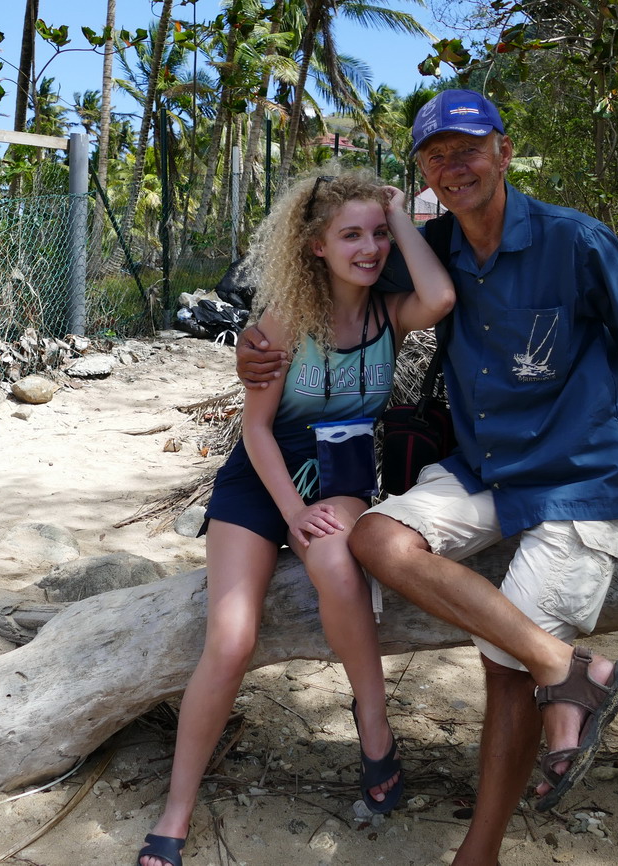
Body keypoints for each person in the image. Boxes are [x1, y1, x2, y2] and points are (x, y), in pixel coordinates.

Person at [236, 90, 618, 865]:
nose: (453, 165)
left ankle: (481, 851)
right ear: (423, 171)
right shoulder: (433, 245)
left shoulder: (577, 241)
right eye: (436, 154)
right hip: (484, 468)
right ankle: (571, 670)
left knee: (503, 669)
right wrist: (252, 342)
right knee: (376, 537)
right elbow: (332, 272)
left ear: (504, 151)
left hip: (577, 476)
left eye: (467, 148)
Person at [137, 170, 455, 866]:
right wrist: (292, 511)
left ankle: (374, 728)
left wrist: (398, 214)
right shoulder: (281, 321)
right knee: (229, 637)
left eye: (376, 235)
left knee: (337, 563)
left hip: (338, 467)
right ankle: (177, 808)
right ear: (315, 246)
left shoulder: (387, 312)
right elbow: (253, 432)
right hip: (262, 478)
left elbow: (440, 295)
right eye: (351, 235)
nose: (368, 248)